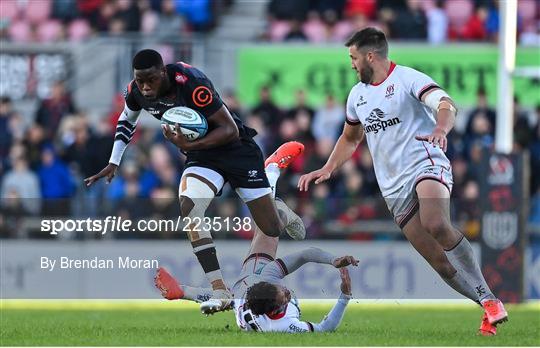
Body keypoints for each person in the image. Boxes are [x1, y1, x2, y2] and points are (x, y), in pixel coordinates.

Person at [298, 27, 508, 336]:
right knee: (439, 262)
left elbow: (446, 104)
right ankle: (487, 304)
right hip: (392, 187)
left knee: (436, 223)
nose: (352, 64)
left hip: (426, 162)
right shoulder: (357, 95)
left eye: (354, 58)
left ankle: (489, 300)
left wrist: (441, 129)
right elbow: (350, 137)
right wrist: (329, 167)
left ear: (371, 56)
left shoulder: (407, 78)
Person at [84, 49, 305, 315]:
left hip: (237, 151)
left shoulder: (191, 83)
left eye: (151, 80)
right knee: (190, 207)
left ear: (163, 72)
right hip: (201, 157)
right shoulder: (137, 91)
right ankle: (219, 288)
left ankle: (275, 198)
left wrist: (186, 143)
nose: (145, 86)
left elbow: (229, 130)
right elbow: (126, 119)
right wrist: (114, 161)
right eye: (140, 81)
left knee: (271, 228)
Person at [155, 156, 357, 332]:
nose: (287, 292)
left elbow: (306, 255)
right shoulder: (283, 326)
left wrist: (333, 261)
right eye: (284, 296)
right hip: (241, 295)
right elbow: (324, 328)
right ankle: (184, 291)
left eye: (282, 292)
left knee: (271, 227)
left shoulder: (268, 278)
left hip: (250, 278)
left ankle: (272, 182)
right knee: (228, 299)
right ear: (273, 309)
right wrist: (345, 295)